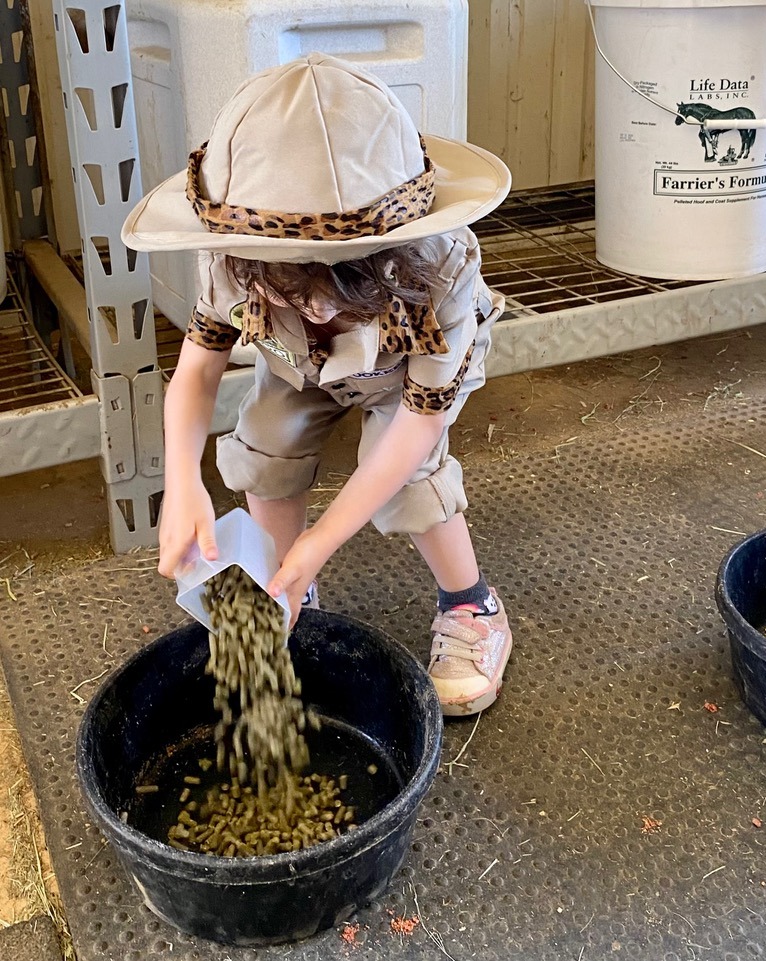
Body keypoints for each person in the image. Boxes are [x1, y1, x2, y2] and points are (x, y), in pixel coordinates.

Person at [122, 53, 513, 717]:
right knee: (266, 440)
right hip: (290, 357)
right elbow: (196, 371)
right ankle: (287, 592)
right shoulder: (230, 264)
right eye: (294, 287)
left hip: (405, 368)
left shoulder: (440, 271)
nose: (323, 310)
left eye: (347, 283)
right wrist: (183, 476)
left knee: (408, 478)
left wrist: (324, 536)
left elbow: (416, 429)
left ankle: (471, 603)